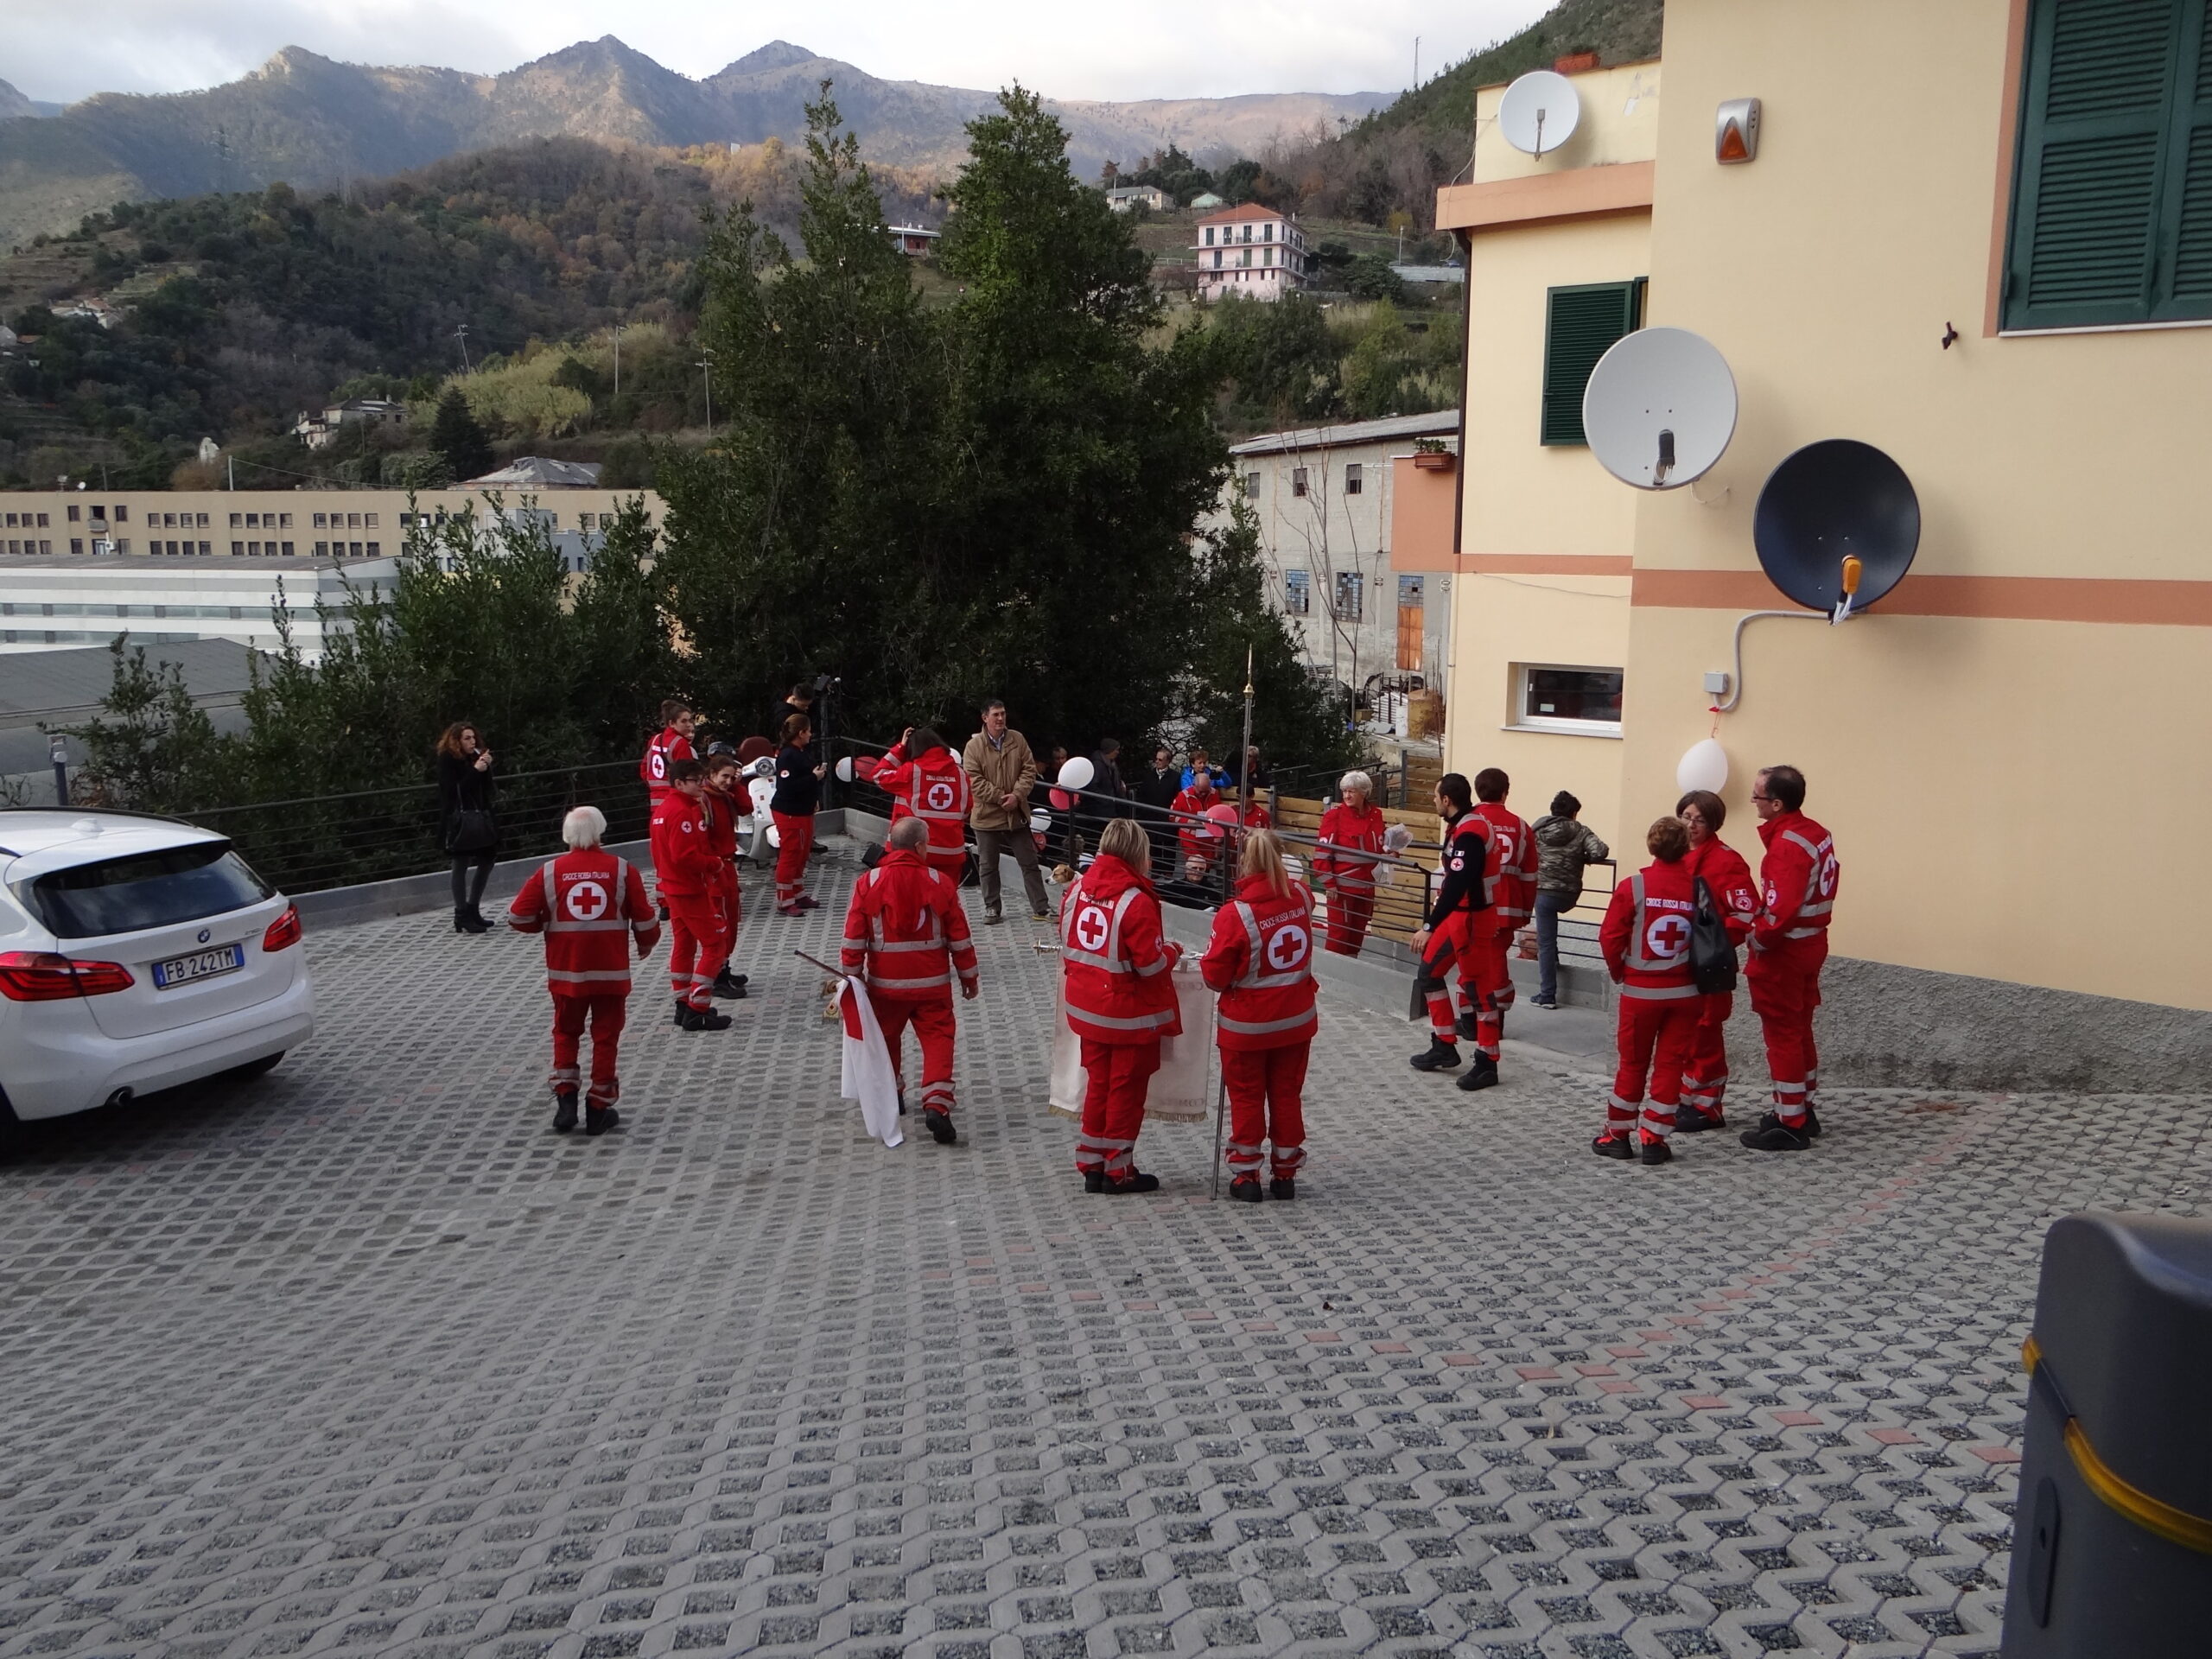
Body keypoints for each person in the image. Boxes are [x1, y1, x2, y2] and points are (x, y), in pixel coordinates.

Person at [507, 805, 661, 1135]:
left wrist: (545, 925)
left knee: (565, 1032)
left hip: (567, 972)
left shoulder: (549, 871)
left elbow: (518, 916)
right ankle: (598, 1108)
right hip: (611, 971)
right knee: (606, 1037)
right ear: (600, 831)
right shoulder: (622, 869)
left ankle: (565, 1102)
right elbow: (646, 918)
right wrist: (645, 944)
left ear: (566, 835)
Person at [840, 817, 980, 1144]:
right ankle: (937, 1103)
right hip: (933, 984)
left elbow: (854, 936)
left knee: (886, 1039)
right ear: (919, 846)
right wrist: (969, 976)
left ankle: (893, 1094)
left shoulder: (868, 882)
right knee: (938, 1039)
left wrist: (852, 977)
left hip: (884, 985)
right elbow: (959, 935)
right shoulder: (940, 881)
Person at [1061, 817, 1183, 1194]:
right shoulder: (1136, 900)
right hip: (1127, 1015)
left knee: (1098, 1086)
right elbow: (1150, 966)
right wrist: (1173, 952)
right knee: (1125, 1093)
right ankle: (1119, 1170)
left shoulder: (1077, 888)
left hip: (1086, 1008)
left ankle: (1092, 1163)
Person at [1200, 827, 1317, 1202]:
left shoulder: (1234, 914)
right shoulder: (1301, 896)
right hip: (1296, 1021)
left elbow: (1215, 977)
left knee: (1247, 1098)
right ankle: (1285, 1174)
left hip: (1247, 1027)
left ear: (1243, 862)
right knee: (1287, 1095)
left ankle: (1247, 1175)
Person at [1739, 765, 1839, 1153]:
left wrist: (1756, 937)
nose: (1754, 802)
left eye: (1758, 796)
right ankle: (1801, 1107)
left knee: (1782, 1036)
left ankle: (1790, 1122)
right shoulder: (1815, 833)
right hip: (1811, 945)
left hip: (1786, 953)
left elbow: (1778, 914)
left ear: (1777, 804)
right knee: (1799, 1030)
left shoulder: (1786, 846)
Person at [1592, 817, 1702, 1166]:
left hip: (1641, 993)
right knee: (1671, 1064)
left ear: (1652, 846)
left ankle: (1617, 1136)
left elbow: (1610, 937)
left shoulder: (1634, 886)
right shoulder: (1698, 889)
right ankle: (1655, 1138)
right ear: (1685, 848)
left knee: (1633, 1063)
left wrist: (1619, 971)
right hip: (1686, 993)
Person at [1675, 789, 1757, 1131]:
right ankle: (1685, 1099)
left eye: (1700, 820)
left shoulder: (1727, 861)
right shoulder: (1675, 855)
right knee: (1684, 1034)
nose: (1691, 825)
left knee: (1705, 1035)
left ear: (1714, 824)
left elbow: (1746, 913)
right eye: (1686, 817)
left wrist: (1712, 945)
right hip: (1678, 964)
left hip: (1709, 965)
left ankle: (1707, 1107)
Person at [1408, 772, 1490, 1084]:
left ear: (1447, 800)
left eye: (1435, 796)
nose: (1433, 801)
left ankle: (1488, 1061)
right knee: (1428, 973)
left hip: (1471, 919)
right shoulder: (1461, 826)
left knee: (1478, 990)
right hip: (1458, 915)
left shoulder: (1469, 832)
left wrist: (1429, 925)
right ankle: (1444, 1044)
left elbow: (1458, 884)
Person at [1460, 768, 1535, 1084]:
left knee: (1474, 962)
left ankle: (1474, 1020)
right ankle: (1492, 1017)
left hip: (1475, 904)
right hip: (1508, 906)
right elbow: (1530, 874)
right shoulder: (1521, 826)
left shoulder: (1469, 821)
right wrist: (1526, 910)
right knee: (1494, 961)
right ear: (1506, 791)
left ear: (1478, 791)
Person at [652, 758, 736, 1032]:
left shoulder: (665, 809)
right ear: (679, 783)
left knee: (684, 944)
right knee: (715, 945)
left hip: (674, 888)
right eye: (696, 781)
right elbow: (685, 856)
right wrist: (714, 864)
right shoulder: (682, 812)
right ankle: (697, 1010)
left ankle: (683, 1004)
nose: (702, 785)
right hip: (688, 888)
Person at [962, 698, 1050, 925]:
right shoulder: (973, 746)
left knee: (1029, 863)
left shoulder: (1017, 739)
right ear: (985, 718)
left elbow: (1029, 770)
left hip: (1016, 814)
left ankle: (1042, 908)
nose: (1000, 718)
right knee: (988, 866)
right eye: (996, 714)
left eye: (1003, 713)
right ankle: (992, 907)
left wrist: (1017, 796)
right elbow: (974, 780)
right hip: (986, 817)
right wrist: (1001, 798)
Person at [1531, 791, 1610, 1007]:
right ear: (1574, 813)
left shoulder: (1537, 830)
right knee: (1549, 943)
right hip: (1569, 895)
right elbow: (1600, 851)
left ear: (1552, 811)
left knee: (1546, 944)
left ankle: (1547, 995)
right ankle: (1553, 972)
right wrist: (1583, 858)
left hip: (1544, 893)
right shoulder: (1581, 831)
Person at [873, 726, 971, 880]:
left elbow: (879, 775)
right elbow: (966, 810)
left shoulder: (911, 771)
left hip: (916, 850)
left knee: (914, 893)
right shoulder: (961, 774)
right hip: (951, 851)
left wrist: (900, 748)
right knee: (946, 893)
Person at [1313, 770, 1389, 957]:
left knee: (1357, 936)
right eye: (1344, 791)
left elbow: (1381, 843)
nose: (1346, 795)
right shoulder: (1335, 816)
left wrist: (1392, 850)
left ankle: (1351, 968)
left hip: (1367, 887)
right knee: (1338, 936)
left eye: (1351, 791)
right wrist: (1329, 883)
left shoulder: (1376, 814)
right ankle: (1333, 971)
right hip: (1342, 889)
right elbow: (1322, 853)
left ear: (1364, 793)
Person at [435, 721, 498, 934]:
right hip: (460, 819)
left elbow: (487, 788)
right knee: (460, 863)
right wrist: (474, 771)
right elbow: (453, 792)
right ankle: (461, 914)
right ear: (457, 741)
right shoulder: (447, 760)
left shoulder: (474, 757)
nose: (472, 742)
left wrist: (486, 768)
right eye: (467, 738)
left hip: (480, 816)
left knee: (488, 859)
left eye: (473, 738)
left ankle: (473, 908)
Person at [701, 754, 752, 1000]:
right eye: (724, 777)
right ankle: (717, 977)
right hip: (716, 869)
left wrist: (738, 786)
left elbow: (746, 808)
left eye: (732, 777)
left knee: (731, 919)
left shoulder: (725, 796)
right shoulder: (705, 801)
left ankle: (724, 967)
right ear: (711, 775)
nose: (728, 782)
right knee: (720, 923)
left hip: (727, 866)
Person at [772, 713, 824, 915]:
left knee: (802, 854)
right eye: (808, 731)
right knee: (790, 854)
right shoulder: (787, 756)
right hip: (790, 813)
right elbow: (786, 787)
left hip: (803, 810)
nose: (811, 734)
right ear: (801, 733)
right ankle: (784, 901)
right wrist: (813, 778)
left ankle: (797, 893)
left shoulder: (800, 752)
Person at [641, 698, 696, 816]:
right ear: (672, 723)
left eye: (690, 720)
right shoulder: (680, 743)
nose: (689, 725)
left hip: (655, 799)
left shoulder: (655, 739)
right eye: (684, 721)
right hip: (675, 798)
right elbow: (688, 775)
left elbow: (644, 768)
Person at [1172, 766, 1226, 882]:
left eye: (1206, 791)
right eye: (1200, 791)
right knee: (1194, 866)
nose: (1203, 794)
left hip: (1208, 839)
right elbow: (1172, 816)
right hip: (1190, 838)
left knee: (1205, 868)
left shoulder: (1214, 794)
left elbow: (1219, 818)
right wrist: (1191, 821)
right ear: (1194, 785)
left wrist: (1218, 843)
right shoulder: (1183, 796)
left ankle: (1203, 889)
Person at [1135, 746, 1181, 815]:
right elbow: (1142, 795)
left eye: (1160, 760)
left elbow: (1177, 797)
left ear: (1167, 762)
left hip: (1166, 814)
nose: (1157, 761)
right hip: (1148, 814)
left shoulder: (1175, 777)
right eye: (1156, 759)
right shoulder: (1148, 775)